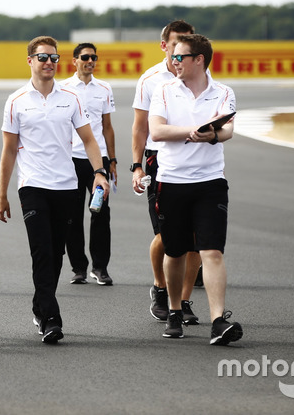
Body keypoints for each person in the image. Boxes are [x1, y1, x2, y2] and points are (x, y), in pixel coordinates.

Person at [0, 36, 110, 344]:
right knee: (42, 251)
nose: (49, 63)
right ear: (30, 61)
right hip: (32, 185)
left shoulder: (71, 98)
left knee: (56, 253)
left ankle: (39, 304)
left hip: (66, 186)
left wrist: (99, 172)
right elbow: (8, 150)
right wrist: (1, 193)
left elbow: (89, 140)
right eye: (42, 57)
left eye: (54, 58)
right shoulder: (16, 100)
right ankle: (51, 318)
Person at [148, 33, 242, 345]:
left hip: (211, 183)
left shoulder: (223, 92)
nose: (174, 62)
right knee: (175, 251)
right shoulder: (163, 91)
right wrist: (192, 132)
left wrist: (214, 136)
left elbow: (227, 128)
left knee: (211, 250)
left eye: (180, 57)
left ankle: (218, 320)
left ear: (198, 60)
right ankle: (174, 310)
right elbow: (157, 131)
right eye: (173, 56)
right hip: (172, 181)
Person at [130, 20, 202, 326]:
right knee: (167, 234)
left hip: (195, 159)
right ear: (164, 46)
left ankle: (183, 300)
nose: (181, 49)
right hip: (158, 161)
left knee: (197, 236)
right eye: (176, 43)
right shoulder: (151, 80)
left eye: (187, 42)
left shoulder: (200, 75)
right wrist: (135, 166)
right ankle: (160, 288)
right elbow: (140, 127)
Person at [60, 43, 117, 285]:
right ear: (75, 60)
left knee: (100, 213)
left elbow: (107, 127)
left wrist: (112, 160)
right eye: (85, 57)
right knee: (71, 216)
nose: (90, 61)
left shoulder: (104, 88)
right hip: (70, 159)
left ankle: (100, 267)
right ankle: (78, 268)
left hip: (98, 161)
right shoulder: (62, 87)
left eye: (94, 57)